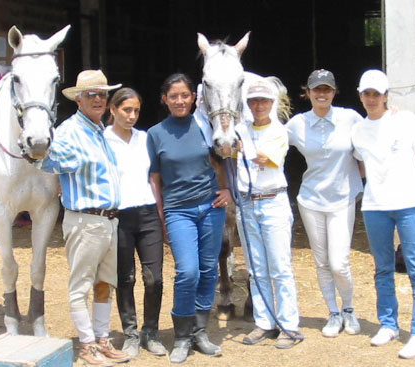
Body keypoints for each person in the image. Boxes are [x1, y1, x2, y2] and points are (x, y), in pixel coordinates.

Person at [34, 69, 129, 366]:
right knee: (81, 285)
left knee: (104, 283)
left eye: (102, 94)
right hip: (86, 220)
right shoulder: (69, 131)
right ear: (78, 99)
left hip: (108, 220)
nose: (99, 99)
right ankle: (87, 345)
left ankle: (101, 340)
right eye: (92, 94)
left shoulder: (100, 131)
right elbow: (47, 161)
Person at [146, 73, 232, 364]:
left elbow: (220, 161)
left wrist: (226, 190)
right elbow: (155, 179)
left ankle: (200, 332)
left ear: (194, 98)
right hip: (178, 210)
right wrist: (161, 214)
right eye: (174, 96)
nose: (180, 101)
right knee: (188, 272)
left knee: (209, 270)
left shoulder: (205, 127)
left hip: (210, 207)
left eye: (185, 95)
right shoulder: (156, 134)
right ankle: (181, 337)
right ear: (164, 99)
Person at [351, 69, 415, 359]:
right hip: (375, 206)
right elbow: (361, 164)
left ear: (387, 96)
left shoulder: (405, 120)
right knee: (383, 269)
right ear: (360, 95)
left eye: (377, 94)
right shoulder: (358, 129)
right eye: (366, 93)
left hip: (410, 203)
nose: (371, 99)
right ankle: (389, 324)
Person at [285, 69, 363, 337]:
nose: (321, 94)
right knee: (321, 261)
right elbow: (272, 141)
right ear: (307, 92)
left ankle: (349, 309)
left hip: (342, 197)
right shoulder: (297, 124)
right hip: (311, 199)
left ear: (335, 92)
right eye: (316, 89)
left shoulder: (350, 118)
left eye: (327, 89)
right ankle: (332, 312)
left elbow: (373, 136)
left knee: (339, 261)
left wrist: (393, 116)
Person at [234, 78, 303, 349]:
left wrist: (241, 147)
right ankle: (264, 322)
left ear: (272, 103)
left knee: (280, 266)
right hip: (247, 202)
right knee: (256, 268)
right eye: (254, 101)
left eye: (263, 101)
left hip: (273, 200)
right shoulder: (240, 128)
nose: (259, 105)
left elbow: (265, 158)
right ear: (248, 104)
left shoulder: (278, 131)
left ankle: (289, 324)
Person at [104, 88, 166, 359]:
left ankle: (150, 332)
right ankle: (130, 333)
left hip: (148, 214)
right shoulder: (102, 139)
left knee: (154, 279)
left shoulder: (145, 138)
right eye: (126, 110)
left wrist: (162, 215)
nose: (131, 116)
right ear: (113, 110)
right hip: (119, 216)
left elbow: (155, 177)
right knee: (125, 278)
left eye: (136, 111)